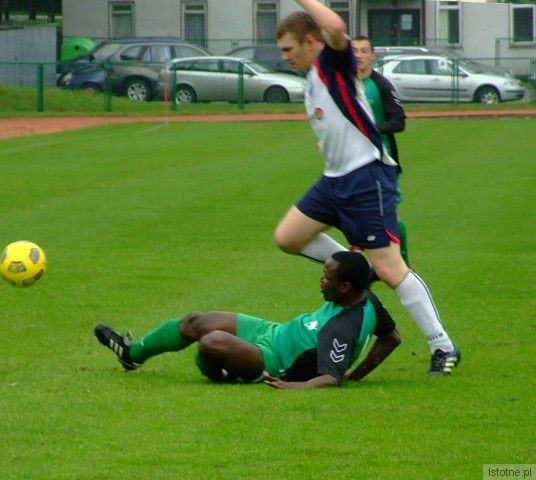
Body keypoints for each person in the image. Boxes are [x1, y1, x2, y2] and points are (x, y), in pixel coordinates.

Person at [273, 0, 460, 375]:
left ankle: (443, 346)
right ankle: (360, 268)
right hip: (334, 180)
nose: (284, 57)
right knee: (288, 238)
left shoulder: (331, 63)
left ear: (310, 42)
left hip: (366, 179)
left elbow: (335, 26)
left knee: (391, 269)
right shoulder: (312, 80)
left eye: (288, 49)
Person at [94, 251, 401, 389]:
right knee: (194, 321)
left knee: (209, 344)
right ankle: (131, 354)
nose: (321, 280)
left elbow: (331, 378)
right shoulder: (367, 297)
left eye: (326, 277)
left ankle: (229, 373)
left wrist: (294, 387)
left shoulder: (341, 328)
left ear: (345, 287)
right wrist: (360, 374)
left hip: (274, 361)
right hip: (274, 331)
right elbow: (392, 337)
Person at [351, 35, 410, 267]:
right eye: (354, 51)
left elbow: (399, 122)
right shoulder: (344, 85)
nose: (358, 55)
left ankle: (404, 262)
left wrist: (371, 130)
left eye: (364, 51)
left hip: (382, 161)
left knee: (389, 215)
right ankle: (357, 263)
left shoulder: (382, 85)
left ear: (373, 56)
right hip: (352, 161)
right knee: (354, 212)